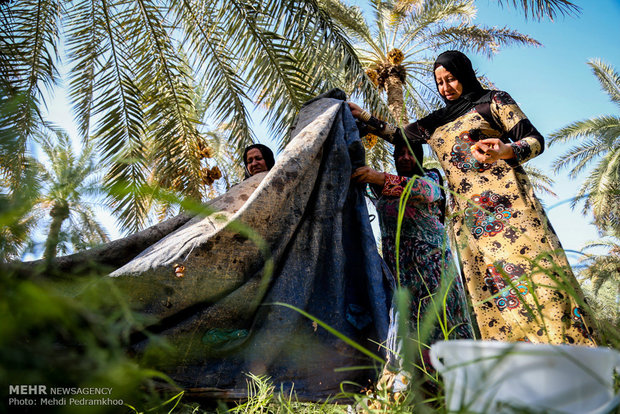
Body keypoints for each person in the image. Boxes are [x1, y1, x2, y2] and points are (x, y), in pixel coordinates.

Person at [348, 50, 597, 346]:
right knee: (491, 296)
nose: (445, 88)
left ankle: (574, 358)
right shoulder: (435, 122)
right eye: (439, 82)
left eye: (451, 79)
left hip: (511, 212)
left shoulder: (493, 101)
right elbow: (401, 136)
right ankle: (514, 379)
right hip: (469, 222)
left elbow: (534, 140)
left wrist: (505, 150)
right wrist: (365, 117)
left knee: (539, 283)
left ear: (464, 74)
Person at [351, 139, 473, 395]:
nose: (405, 157)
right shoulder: (383, 188)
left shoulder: (430, 178)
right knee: (412, 327)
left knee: (443, 321)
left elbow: (425, 192)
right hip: (401, 271)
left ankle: (463, 387)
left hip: (432, 266)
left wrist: (378, 176)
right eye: (400, 153)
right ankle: (425, 393)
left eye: (411, 153)